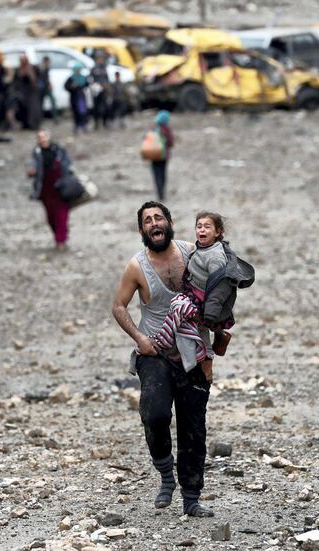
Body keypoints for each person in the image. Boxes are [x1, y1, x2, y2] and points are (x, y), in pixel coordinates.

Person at [111, 201, 214, 518]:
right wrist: (140, 339)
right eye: (147, 221)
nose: (154, 224)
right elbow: (118, 306)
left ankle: (191, 498)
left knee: (193, 428)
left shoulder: (193, 254)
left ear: (170, 222)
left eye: (159, 218)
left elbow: (222, 285)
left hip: (193, 353)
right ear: (142, 230)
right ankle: (166, 474)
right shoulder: (136, 267)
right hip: (155, 352)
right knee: (154, 415)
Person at [149, 212, 254, 383]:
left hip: (205, 302)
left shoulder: (215, 257)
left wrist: (210, 313)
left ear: (218, 232)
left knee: (180, 309)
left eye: (207, 227)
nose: (202, 230)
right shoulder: (202, 248)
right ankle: (220, 335)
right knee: (187, 316)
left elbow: (221, 286)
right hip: (194, 293)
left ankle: (196, 355)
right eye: (199, 226)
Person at [27, 130, 73, 251]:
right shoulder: (36, 152)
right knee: (50, 216)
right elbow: (32, 166)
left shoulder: (58, 150)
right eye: (40, 137)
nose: (43, 139)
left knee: (61, 214)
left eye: (45, 136)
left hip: (60, 187)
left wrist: (66, 177)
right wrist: (32, 172)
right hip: (45, 189)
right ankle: (59, 236)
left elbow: (68, 164)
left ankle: (61, 239)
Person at [12, 54, 42, 130]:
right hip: (22, 91)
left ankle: (33, 124)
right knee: (23, 109)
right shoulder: (18, 69)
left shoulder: (32, 68)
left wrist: (30, 74)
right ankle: (25, 124)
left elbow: (35, 80)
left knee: (33, 108)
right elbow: (16, 80)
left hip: (32, 91)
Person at [151, 110, 174, 201]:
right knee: (163, 174)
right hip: (163, 155)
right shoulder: (166, 129)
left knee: (156, 174)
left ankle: (159, 193)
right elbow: (170, 142)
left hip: (153, 155)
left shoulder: (153, 128)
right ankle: (162, 194)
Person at [64, 63, 89, 133]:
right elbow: (66, 86)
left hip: (81, 97)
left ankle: (84, 125)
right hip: (74, 97)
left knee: (82, 111)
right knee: (75, 112)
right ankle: (76, 125)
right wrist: (71, 87)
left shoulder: (83, 77)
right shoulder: (71, 78)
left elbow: (86, 85)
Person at [89, 51, 110, 129]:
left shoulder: (104, 68)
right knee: (96, 108)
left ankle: (105, 123)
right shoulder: (93, 69)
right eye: (100, 58)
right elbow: (90, 80)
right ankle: (96, 123)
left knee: (105, 107)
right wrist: (94, 87)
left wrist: (107, 86)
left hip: (104, 91)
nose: (101, 60)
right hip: (96, 91)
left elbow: (107, 79)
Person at [38, 56, 59, 121]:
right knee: (40, 103)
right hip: (41, 88)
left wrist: (50, 84)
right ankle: (40, 118)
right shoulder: (41, 68)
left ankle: (55, 117)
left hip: (46, 87)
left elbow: (47, 78)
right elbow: (41, 79)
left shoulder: (47, 68)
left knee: (52, 101)